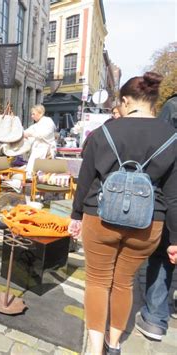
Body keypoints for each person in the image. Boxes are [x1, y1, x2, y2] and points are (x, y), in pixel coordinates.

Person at [68, 72, 177, 355]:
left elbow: (85, 180)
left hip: (100, 216)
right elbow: (174, 196)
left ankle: (94, 350)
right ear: (153, 101)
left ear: (126, 101)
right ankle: (113, 344)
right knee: (124, 282)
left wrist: (76, 215)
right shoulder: (172, 138)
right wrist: (175, 239)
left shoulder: (104, 132)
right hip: (149, 223)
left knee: (97, 280)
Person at [136, 93, 177, 341]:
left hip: (172, 192)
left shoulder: (172, 107)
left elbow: (160, 152)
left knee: (163, 254)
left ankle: (155, 317)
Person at [22, 104, 56, 178]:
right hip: (38, 151)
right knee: (32, 173)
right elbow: (27, 131)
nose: (32, 116)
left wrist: (29, 134)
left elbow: (42, 134)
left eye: (33, 114)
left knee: (41, 175)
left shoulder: (48, 121)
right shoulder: (37, 125)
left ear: (40, 113)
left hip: (45, 152)